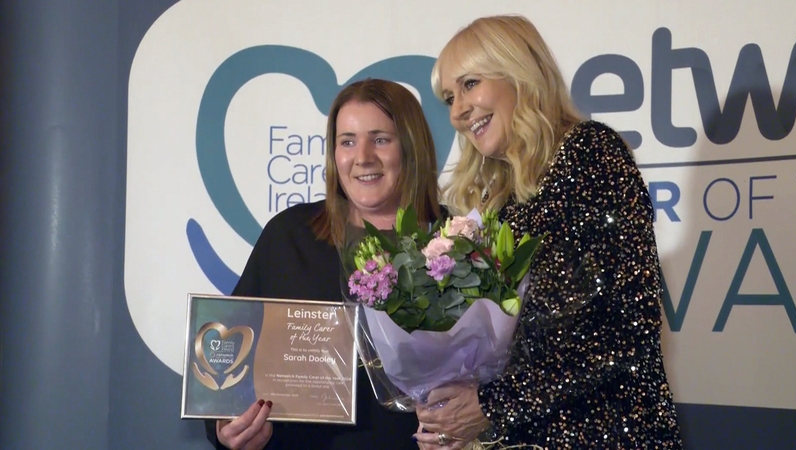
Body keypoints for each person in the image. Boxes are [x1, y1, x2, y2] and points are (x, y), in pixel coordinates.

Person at [413, 15, 683, 449]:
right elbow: (511, 353)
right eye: (449, 97)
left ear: (517, 70)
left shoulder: (590, 152)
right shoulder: (497, 201)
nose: (458, 111)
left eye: (469, 84)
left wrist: (494, 406)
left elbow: (630, 326)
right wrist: (464, 424)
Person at [205, 78, 441, 449]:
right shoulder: (289, 236)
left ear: (412, 149)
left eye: (380, 139)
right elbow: (227, 370)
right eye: (347, 141)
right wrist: (226, 426)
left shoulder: (455, 244)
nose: (362, 156)